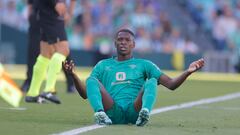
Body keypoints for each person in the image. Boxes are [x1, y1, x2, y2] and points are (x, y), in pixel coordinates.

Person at [63, 28, 204, 126]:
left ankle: (145, 113)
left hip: (134, 110)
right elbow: (85, 94)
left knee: (152, 80)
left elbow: (171, 84)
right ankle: (100, 114)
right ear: (115, 43)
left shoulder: (144, 64)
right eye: (120, 40)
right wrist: (73, 76)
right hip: (112, 111)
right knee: (91, 80)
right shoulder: (102, 65)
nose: (123, 42)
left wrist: (188, 72)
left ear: (133, 44)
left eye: (127, 40)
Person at [25, 0, 76, 104]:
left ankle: (32, 93)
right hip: (50, 13)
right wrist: (56, 3)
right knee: (63, 49)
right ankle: (49, 90)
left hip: (42, 12)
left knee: (46, 54)